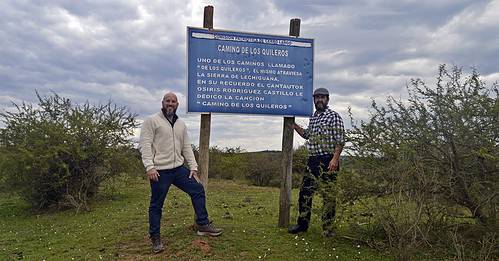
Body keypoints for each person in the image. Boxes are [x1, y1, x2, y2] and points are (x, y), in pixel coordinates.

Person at [139, 92, 223, 254]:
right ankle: (155, 237)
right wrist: (150, 167)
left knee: (198, 189)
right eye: (167, 101)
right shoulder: (152, 121)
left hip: (178, 169)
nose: (170, 103)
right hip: (159, 171)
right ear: (162, 102)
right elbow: (145, 145)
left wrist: (193, 167)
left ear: (177, 104)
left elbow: (186, 147)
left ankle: (202, 224)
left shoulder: (180, 124)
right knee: (156, 205)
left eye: (173, 101)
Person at [288, 87, 345, 237]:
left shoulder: (334, 116)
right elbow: (307, 135)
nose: (319, 99)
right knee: (305, 193)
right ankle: (302, 225)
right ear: (313, 100)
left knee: (328, 195)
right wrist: (294, 126)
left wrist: (335, 159)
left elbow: (340, 140)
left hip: (328, 160)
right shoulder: (313, 117)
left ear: (327, 99)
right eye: (316, 97)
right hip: (312, 160)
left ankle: (328, 228)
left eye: (322, 97)